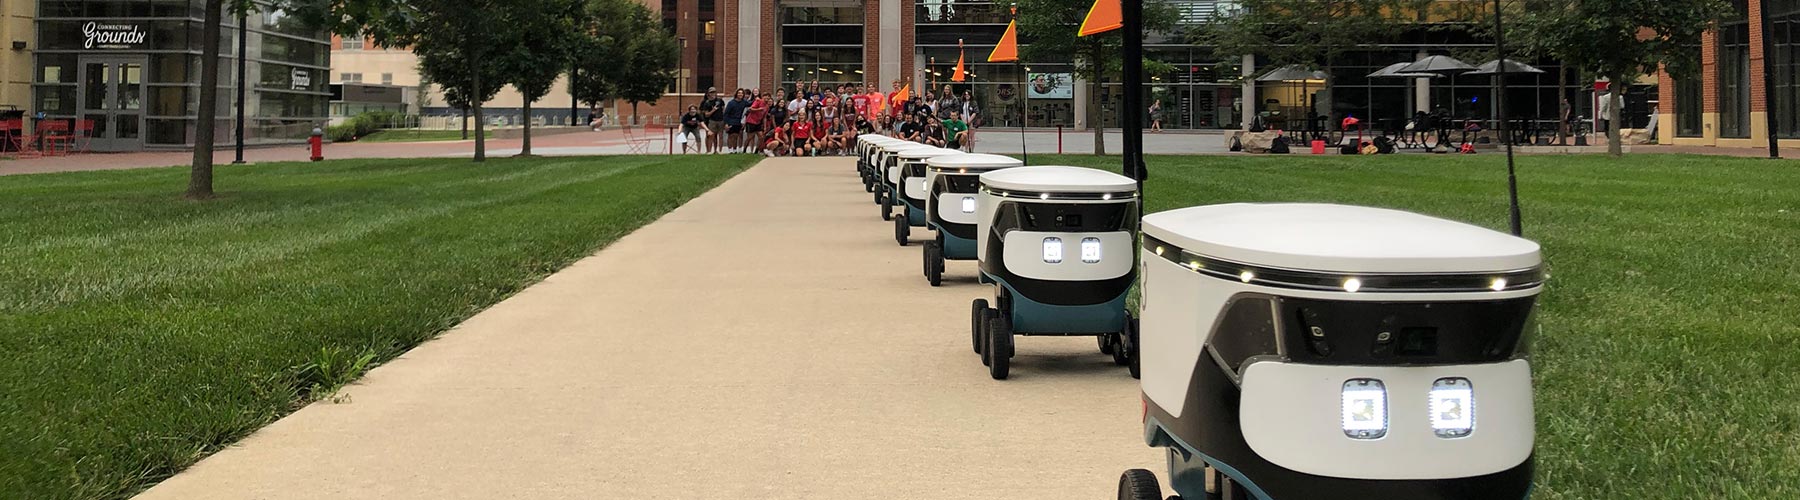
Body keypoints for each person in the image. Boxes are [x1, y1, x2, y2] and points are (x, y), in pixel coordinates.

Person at [700, 88, 725, 153]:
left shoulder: (720, 100)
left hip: (721, 120)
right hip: (712, 121)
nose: (713, 94)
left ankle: (719, 151)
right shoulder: (706, 103)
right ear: (708, 94)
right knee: (711, 136)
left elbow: (723, 109)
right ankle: (709, 151)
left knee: (720, 136)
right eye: (711, 92)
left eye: (714, 92)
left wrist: (724, 118)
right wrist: (713, 110)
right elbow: (706, 114)